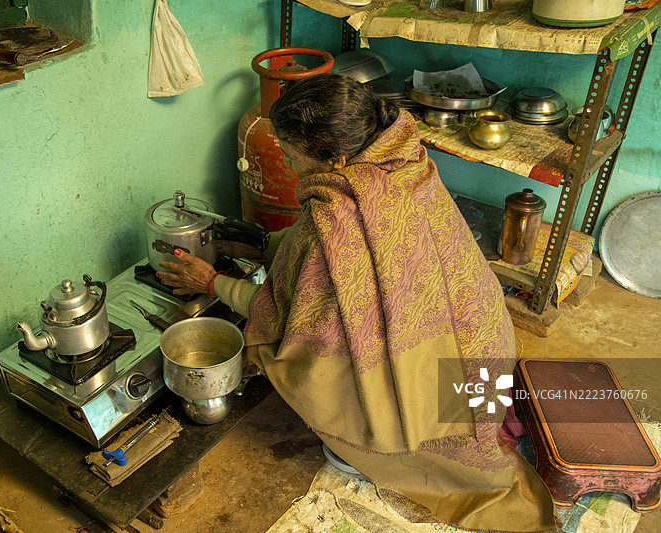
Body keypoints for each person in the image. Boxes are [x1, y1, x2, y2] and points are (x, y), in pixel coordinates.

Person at [158, 73, 559, 532]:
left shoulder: (336, 211)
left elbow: (293, 323)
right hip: (486, 347)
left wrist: (212, 283)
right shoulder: (405, 160)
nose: (287, 166)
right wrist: (268, 244)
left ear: (335, 157)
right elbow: (313, 252)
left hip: (440, 387)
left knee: (328, 377)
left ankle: (383, 446)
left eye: (291, 155)